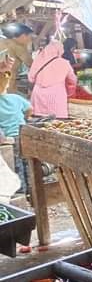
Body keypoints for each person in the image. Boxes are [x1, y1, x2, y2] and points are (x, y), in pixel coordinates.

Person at [0, 57, 32, 193]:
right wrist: (23, 119)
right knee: (28, 165)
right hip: (23, 135)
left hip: (9, 140)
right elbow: (30, 109)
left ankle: (21, 193)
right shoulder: (16, 98)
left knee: (16, 167)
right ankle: (32, 192)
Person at [28, 41, 77, 118]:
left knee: (37, 118)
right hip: (56, 94)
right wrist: (70, 90)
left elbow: (31, 78)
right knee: (57, 120)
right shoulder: (64, 63)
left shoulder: (37, 61)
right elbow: (72, 80)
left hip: (37, 94)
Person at [0, 23, 33, 93]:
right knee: (8, 96)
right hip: (7, 76)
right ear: (23, 36)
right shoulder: (18, 46)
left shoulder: (2, 41)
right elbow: (30, 63)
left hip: (3, 74)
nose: (29, 40)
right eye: (29, 37)